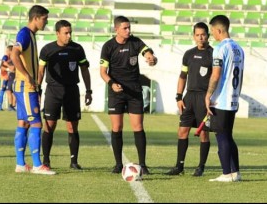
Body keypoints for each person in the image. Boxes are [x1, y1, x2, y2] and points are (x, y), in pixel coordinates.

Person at [100, 15, 157, 175]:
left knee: (138, 127)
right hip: (116, 92)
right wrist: (112, 84)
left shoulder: (135, 42)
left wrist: (151, 58)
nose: (128, 30)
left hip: (134, 92)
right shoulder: (108, 46)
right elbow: (103, 72)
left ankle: (143, 165)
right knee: (117, 127)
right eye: (125, 28)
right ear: (116, 29)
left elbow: (147, 52)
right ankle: (118, 164)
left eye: (129, 27)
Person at [38, 20, 92, 170]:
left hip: (71, 91)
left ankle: (74, 161)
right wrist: (38, 90)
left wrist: (88, 90)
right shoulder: (47, 50)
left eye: (70, 32)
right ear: (57, 33)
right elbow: (41, 71)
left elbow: (84, 70)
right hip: (53, 91)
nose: (69, 35)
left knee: (72, 127)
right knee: (49, 126)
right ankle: (46, 161)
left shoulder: (77, 49)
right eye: (65, 33)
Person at [11, 5, 55, 175]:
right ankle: (37, 165)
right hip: (25, 87)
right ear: (36, 18)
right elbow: (15, 54)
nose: (46, 22)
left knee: (23, 123)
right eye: (45, 18)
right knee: (36, 123)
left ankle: (20, 164)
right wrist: (27, 75)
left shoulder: (30, 35)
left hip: (24, 87)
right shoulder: (24, 33)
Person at [165, 22, 213, 177]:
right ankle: (179, 166)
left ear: (208, 35)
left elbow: (218, 78)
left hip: (205, 98)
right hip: (189, 97)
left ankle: (201, 167)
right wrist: (178, 96)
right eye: (197, 35)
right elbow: (182, 76)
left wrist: (212, 98)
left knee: (204, 134)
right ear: (194, 36)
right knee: (182, 131)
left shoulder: (214, 54)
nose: (200, 38)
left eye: (203, 34)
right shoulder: (188, 54)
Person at [205, 15, 244, 182]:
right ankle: (236, 173)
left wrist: (208, 95)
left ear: (219, 30)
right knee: (228, 135)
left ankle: (226, 173)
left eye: (213, 31)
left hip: (221, 99)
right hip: (233, 97)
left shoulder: (220, 48)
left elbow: (215, 75)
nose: (212, 34)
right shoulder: (239, 48)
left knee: (221, 135)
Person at [0, 46, 11, 111]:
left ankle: (10, 106)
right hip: (4, 76)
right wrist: (9, 68)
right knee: (2, 90)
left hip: (8, 77)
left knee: (9, 91)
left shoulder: (10, 57)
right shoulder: (5, 57)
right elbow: (1, 65)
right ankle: (0, 106)